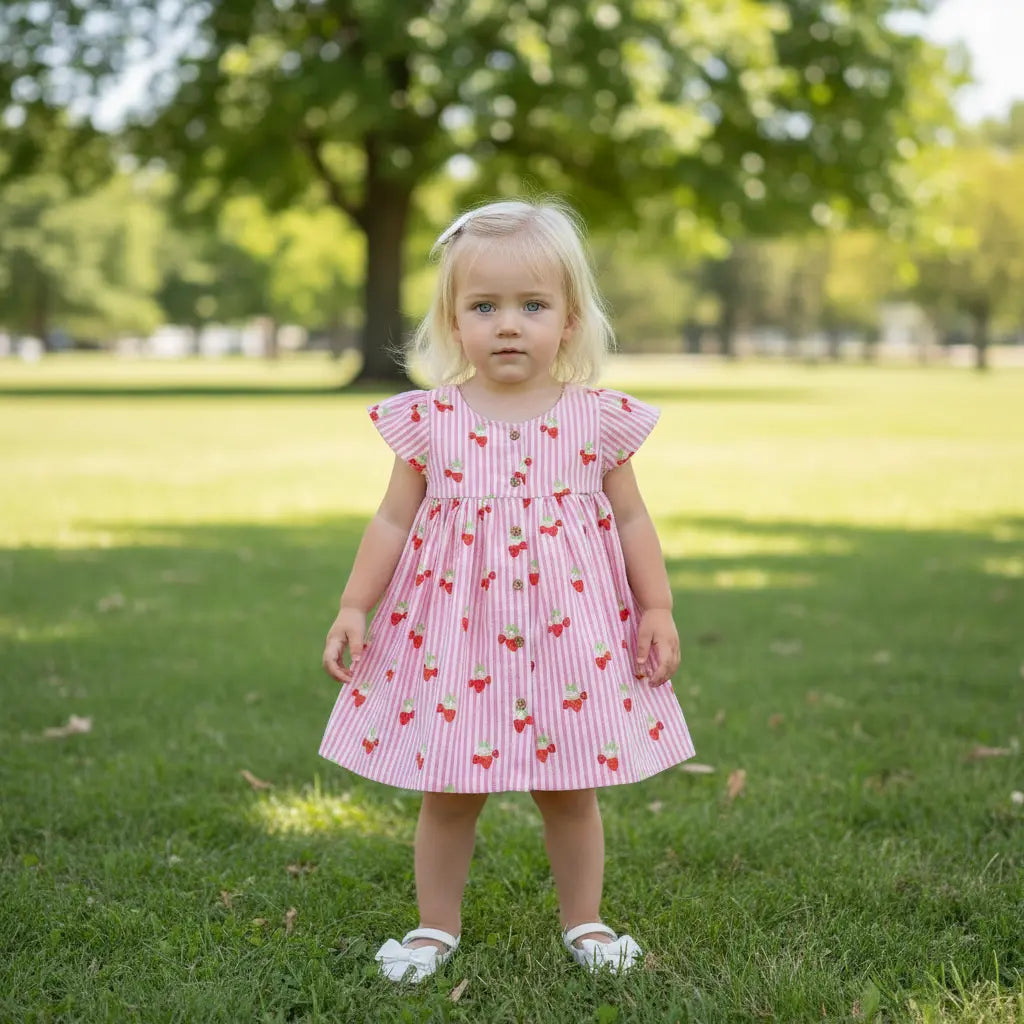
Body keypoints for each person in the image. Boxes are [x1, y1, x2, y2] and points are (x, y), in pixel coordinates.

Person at [320, 198, 695, 983]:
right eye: (484, 306)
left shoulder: (596, 420)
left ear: (569, 319)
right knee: (450, 788)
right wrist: (355, 604)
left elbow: (631, 521)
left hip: (570, 638)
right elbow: (393, 520)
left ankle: (586, 922)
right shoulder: (431, 420)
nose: (509, 324)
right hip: (457, 640)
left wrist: (655, 607)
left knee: (569, 790)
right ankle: (434, 929)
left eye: (532, 305)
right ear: (454, 321)